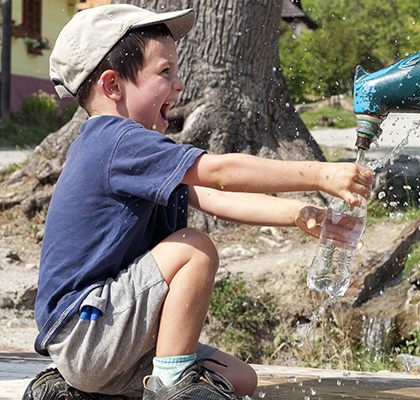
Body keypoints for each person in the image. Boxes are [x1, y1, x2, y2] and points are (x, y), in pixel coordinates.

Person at [22, 4, 373, 400]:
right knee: (194, 247)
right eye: (164, 72)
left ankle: (79, 391)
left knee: (241, 378)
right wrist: (321, 174)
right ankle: (170, 386)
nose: (179, 85)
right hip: (89, 332)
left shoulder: (135, 155)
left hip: (107, 341)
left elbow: (213, 196)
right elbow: (221, 172)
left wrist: (299, 214)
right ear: (113, 85)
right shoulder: (114, 140)